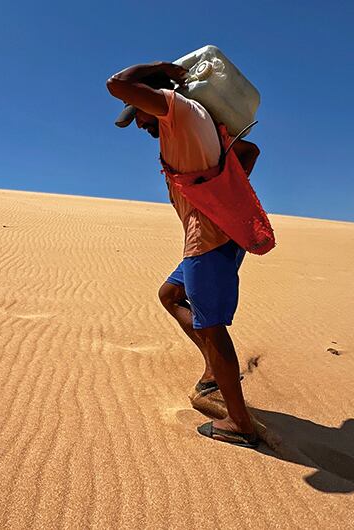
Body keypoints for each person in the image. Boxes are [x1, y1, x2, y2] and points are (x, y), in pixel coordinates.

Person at [106, 61, 263, 448]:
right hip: (215, 233)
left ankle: (239, 423)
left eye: (138, 112)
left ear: (156, 97)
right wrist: (220, 188)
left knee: (212, 326)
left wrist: (164, 68)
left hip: (208, 238)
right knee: (170, 295)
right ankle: (213, 370)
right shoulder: (196, 124)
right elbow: (249, 151)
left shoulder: (178, 110)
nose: (138, 124)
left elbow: (116, 83)